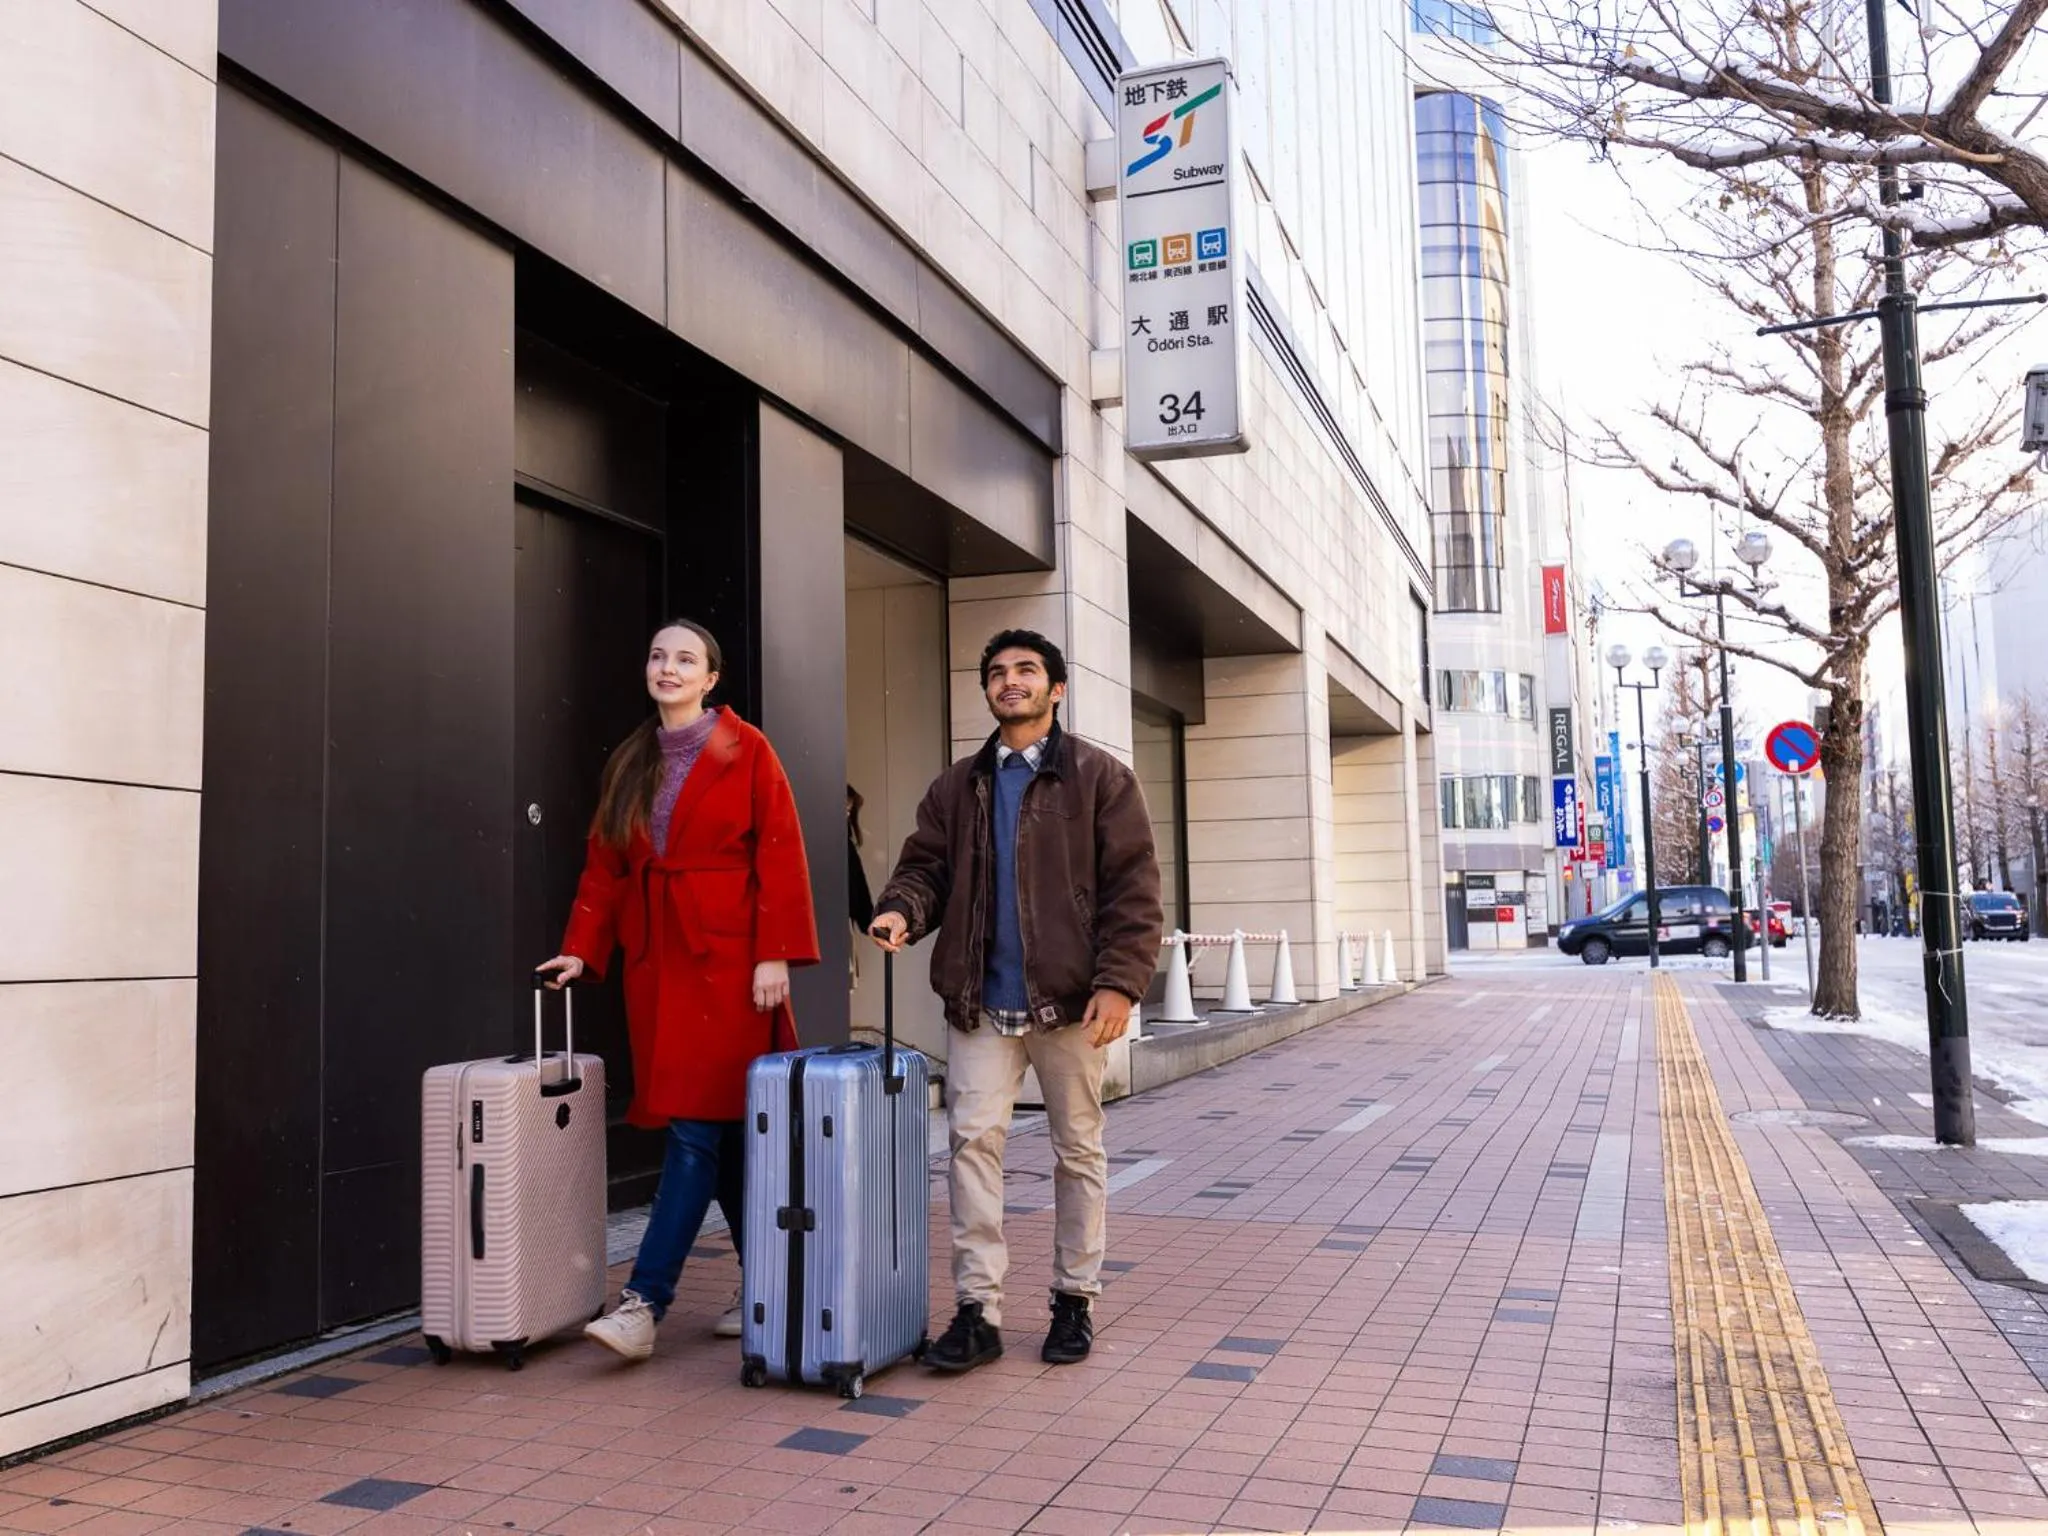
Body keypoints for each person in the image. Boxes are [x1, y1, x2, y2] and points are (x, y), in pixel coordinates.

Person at [869, 629, 1162, 1371]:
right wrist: (902, 908)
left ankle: (1075, 1300)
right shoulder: (956, 786)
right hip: (979, 1004)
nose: (1011, 682)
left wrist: (1121, 982)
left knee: (1077, 1152)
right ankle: (979, 1312)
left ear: (1055, 688)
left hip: (1070, 1004)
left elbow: (1135, 890)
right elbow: (924, 867)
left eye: (1027, 671)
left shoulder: (1100, 778)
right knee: (972, 1148)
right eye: (998, 673)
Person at [537, 619, 818, 1361]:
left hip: (730, 966)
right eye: (658, 654)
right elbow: (606, 866)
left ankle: (644, 1301)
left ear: (711, 677)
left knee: (694, 1130)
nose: (668, 667)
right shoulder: (632, 759)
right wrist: (578, 950)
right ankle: (770, 1279)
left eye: (685, 658)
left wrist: (776, 955)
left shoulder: (748, 748)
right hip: (660, 963)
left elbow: (781, 850)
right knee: (719, 1136)